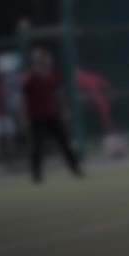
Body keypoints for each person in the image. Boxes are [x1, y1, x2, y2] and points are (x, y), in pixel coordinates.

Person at [22, 48, 83, 183]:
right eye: (39, 59)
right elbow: (23, 99)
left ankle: (75, 168)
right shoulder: (30, 77)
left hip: (53, 115)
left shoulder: (52, 74)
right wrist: (24, 117)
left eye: (45, 58)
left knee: (65, 143)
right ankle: (36, 175)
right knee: (37, 146)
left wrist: (64, 110)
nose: (44, 61)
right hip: (36, 117)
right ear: (35, 61)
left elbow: (59, 94)